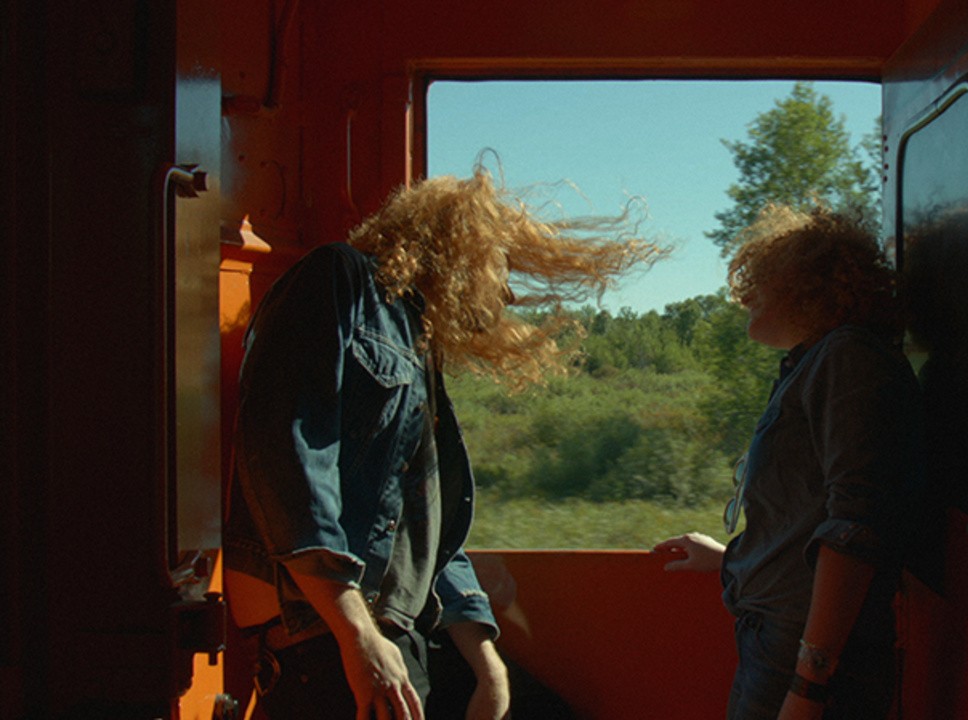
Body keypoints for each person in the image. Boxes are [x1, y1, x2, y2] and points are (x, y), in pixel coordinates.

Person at [223, 165, 660, 720]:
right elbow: (288, 460)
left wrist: (486, 661)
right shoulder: (340, 279)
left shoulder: (418, 342)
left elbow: (429, 537)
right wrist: (357, 635)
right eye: (501, 266)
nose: (507, 292)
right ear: (463, 250)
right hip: (323, 633)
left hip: (390, 630)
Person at [654, 204, 923, 720]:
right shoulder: (819, 363)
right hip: (777, 640)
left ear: (809, 287)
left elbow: (854, 526)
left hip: (800, 654)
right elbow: (804, 513)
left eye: (762, 281)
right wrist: (730, 559)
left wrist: (808, 684)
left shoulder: (848, 359)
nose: (745, 296)